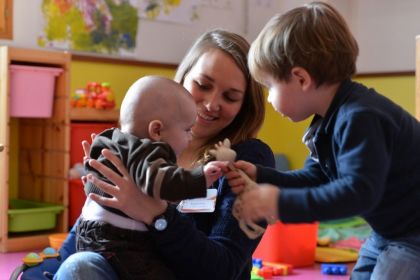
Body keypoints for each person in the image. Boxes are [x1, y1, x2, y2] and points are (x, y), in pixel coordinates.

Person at [43, 29, 275, 280]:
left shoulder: (248, 159)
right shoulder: (142, 144)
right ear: (183, 78)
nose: (210, 104)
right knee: (78, 265)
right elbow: (90, 229)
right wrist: (99, 188)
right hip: (124, 265)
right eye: (203, 85)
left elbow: (223, 269)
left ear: (244, 106)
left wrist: (155, 214)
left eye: (230, 97)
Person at [226, 2, 420, 280]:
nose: (268, 98)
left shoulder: (360, 118)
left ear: (301, 78)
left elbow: (357, 194)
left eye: (270, 87)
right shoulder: (327, 121)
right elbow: (318, 177)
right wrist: (262, 175)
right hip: (388, 230)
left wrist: (280, 204)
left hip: (413, 233)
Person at [78, 75, 226, 279]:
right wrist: (199, 179)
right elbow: (162, 182)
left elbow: (93, 176)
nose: (190, 136)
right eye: (187, 130)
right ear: (157, 130)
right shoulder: (147, 152)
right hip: (120, 240)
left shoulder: (111, 138)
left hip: (87, 232)